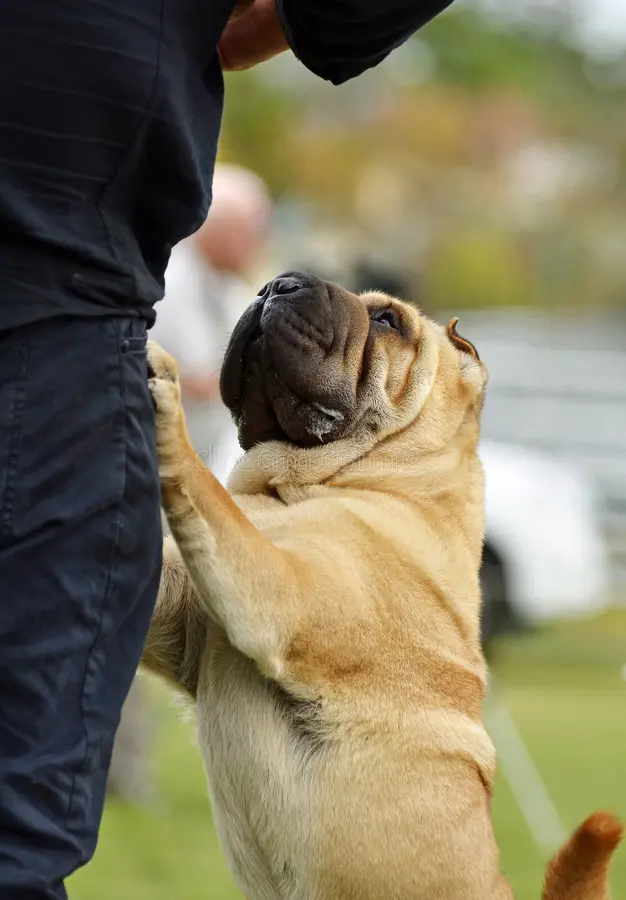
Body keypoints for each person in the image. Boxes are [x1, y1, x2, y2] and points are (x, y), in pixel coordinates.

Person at [0, 0, 454, 897]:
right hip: (61, 275)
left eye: (387, 323)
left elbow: (256, 620)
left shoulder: (393, 553)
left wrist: (167, 465)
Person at [151, 163, 273, 484]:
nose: (260, 243)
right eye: (254, 230)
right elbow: (198, 381)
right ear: (223, 229)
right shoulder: (170, 283)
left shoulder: (228, 289)